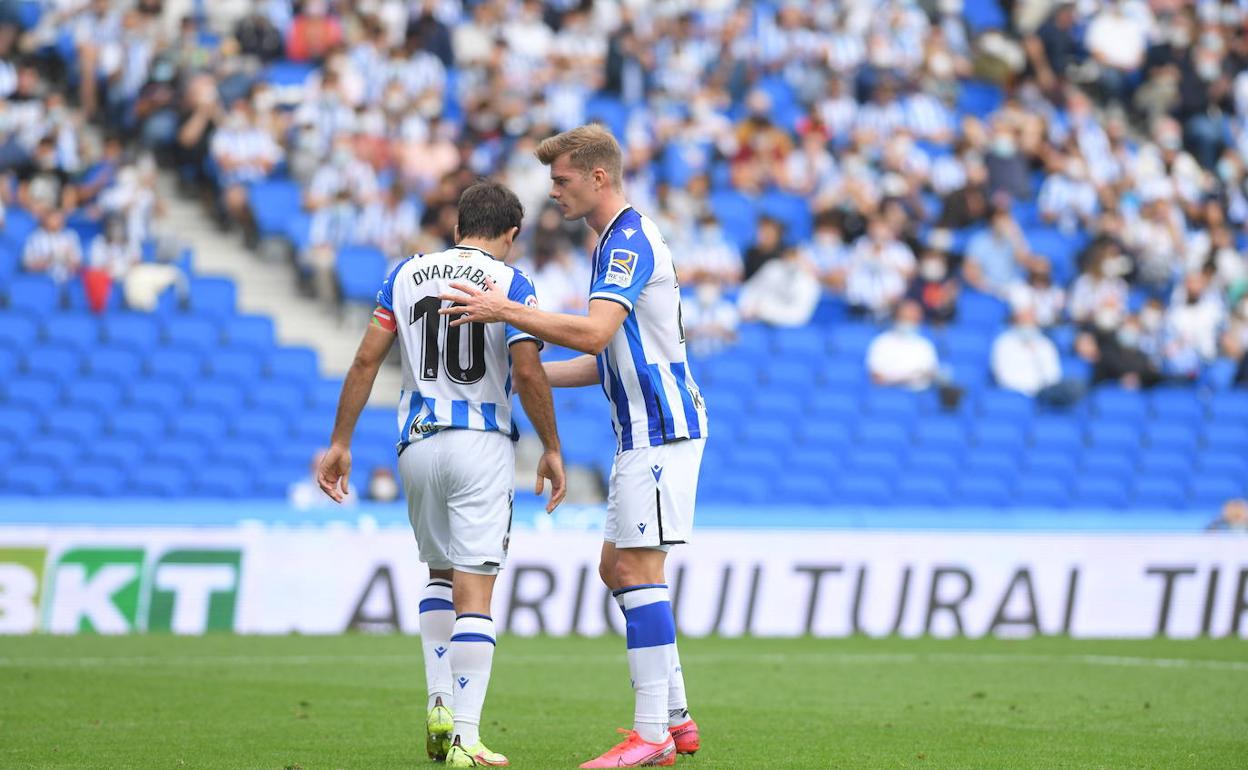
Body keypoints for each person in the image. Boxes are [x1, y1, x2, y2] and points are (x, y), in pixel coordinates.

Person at [440, 124, 707, 768]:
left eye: (560, 180)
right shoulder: (612, 242)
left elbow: (592, 334)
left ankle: (650, 736)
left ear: (598, 177)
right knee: (616, 569)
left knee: (639, 573)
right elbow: (602, 360)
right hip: (640, 432)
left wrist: (506, 313)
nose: (551, 192)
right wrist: (518, 378)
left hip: (661, 431)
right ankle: (675, 717)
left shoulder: (626, 243)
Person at [317, 181, 567, 769]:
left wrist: (339, 442)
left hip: (418, 442)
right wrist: (552, 447)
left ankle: (437, 701)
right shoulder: (513, 284)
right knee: (475, 592)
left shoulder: (404, 274)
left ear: (457, 227)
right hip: (480, 444)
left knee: (438, 574)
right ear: (511, 235)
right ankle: (466, 737)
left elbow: (364, 361)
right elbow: (529, 374)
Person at [866, 299, 940, 390]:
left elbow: (930, 373)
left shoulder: (925, 345)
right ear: (896, 317)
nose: (908, 322)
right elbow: (876, 377)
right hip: (888, 394)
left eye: (912, 318)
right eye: (905, 318)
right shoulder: (881, 342)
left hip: (918, 396)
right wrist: (904, 379)